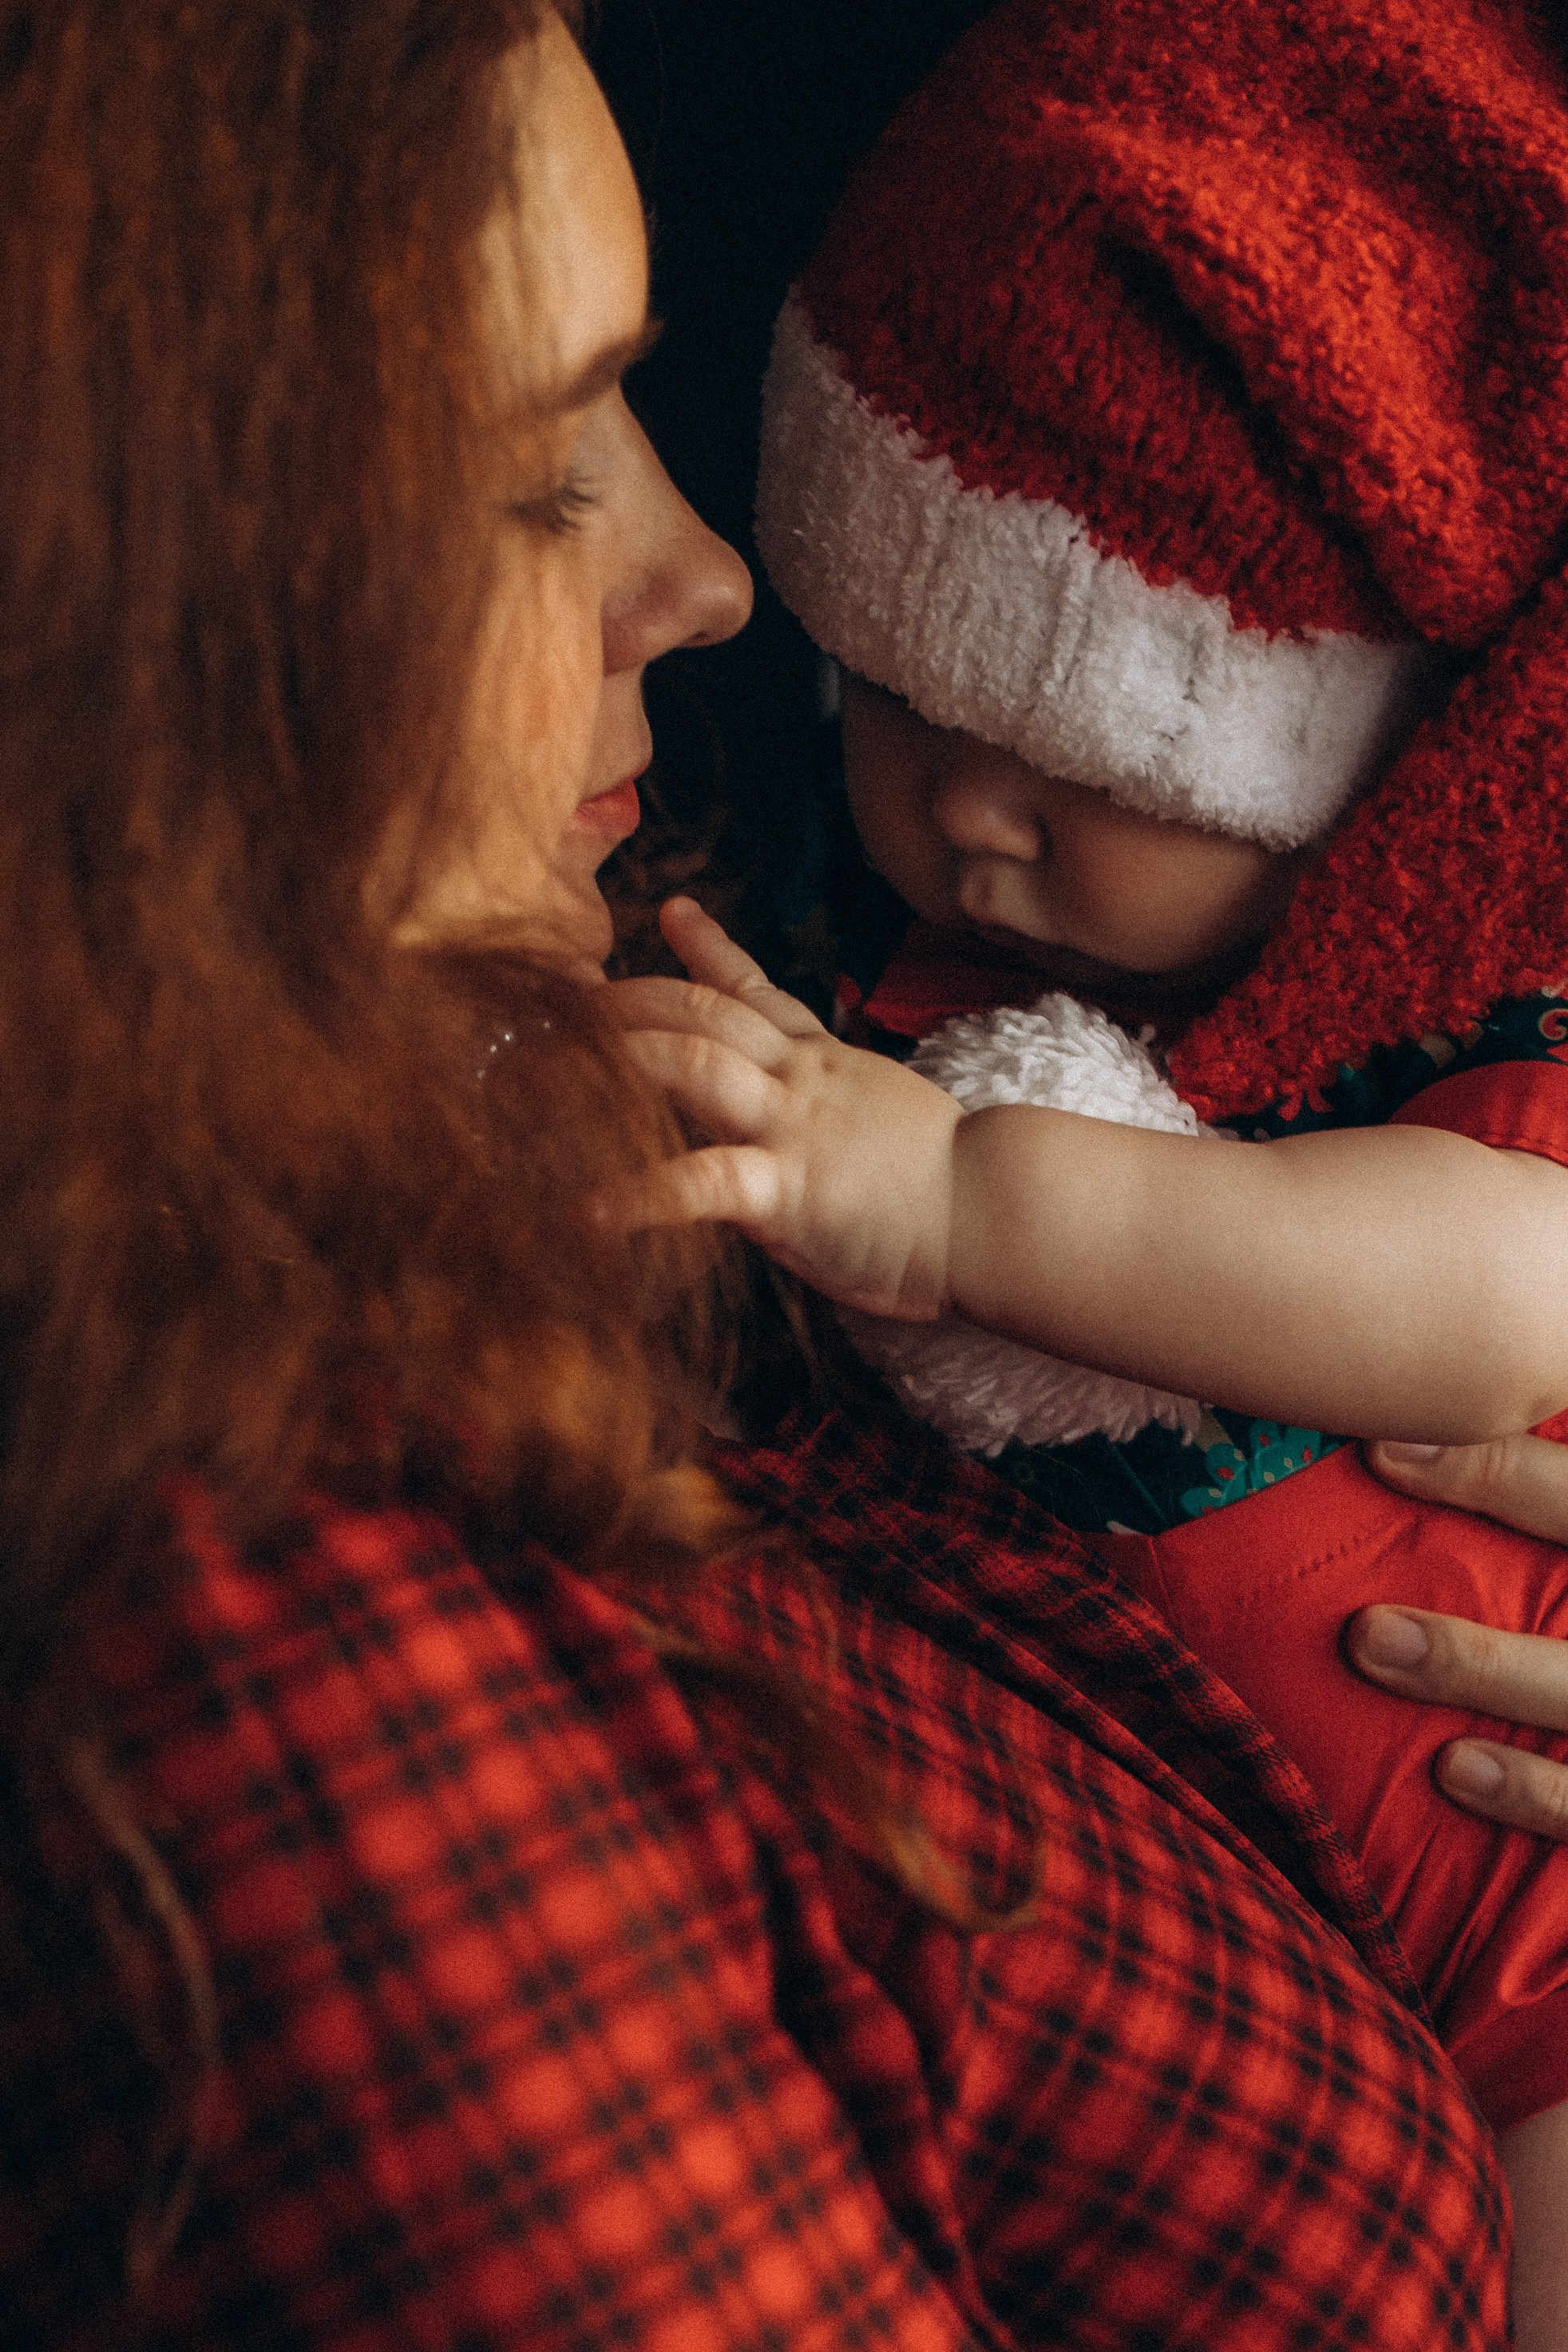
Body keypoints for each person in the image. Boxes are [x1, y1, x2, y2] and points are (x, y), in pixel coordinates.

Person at [0, 4, 1557, 2348]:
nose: (715, 578)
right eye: (537, 477)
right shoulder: (276, 1646)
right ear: (126, 611)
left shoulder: (535, 1104)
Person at [605, 0, 1568, 2339]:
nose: (963, 818)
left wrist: (963, 1209)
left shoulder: (1478, 1009)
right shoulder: (894, 975)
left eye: (1089, 766)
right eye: (905, 708)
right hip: (1264, 1983)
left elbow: (1507, 1291)